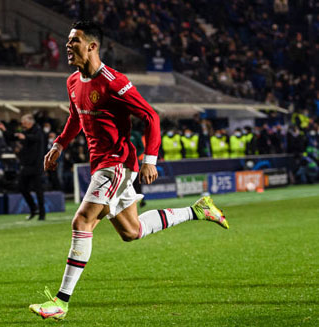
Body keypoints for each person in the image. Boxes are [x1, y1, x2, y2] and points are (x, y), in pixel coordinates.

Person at [29, 20, 229, 321]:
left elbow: (151, 116)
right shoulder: (73, 82)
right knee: (131, 231)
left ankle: (61, 302)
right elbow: (75, 116)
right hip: (102, 164)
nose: (68, 46)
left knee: (82, 221)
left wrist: (151, 159)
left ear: (93, 46)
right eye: (68, 40)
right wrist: (58, 145)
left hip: (117, 164)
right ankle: (198, 210)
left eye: (75, 41)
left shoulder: (114, 81)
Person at [16, 114, 46, 221]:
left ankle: (42, 214)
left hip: (36, 165)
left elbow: (36, 138)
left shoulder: (38, 131)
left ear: (30, 122)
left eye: (24, 123)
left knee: (38, 190)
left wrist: (26, 137)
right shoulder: (26, 132)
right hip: (27, 165)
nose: (23, 125)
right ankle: (34, 208)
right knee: (21, 187)